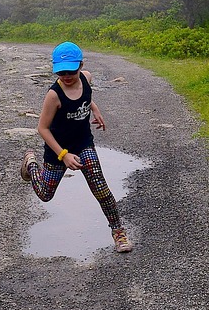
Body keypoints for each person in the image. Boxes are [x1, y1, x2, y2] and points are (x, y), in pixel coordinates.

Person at [20, 42, 133, 253]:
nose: (66, 76)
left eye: (71, 71)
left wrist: (96, 110)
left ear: (80, 65)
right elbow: (42, 129)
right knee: (45, 194)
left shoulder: (86, 77)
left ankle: (118, 232)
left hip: (82, 144)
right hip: (58, 149)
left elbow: (86, 95)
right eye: (61, 72)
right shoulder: (54, 95)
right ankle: (31, 162)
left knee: (100, 188)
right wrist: (63, 155)